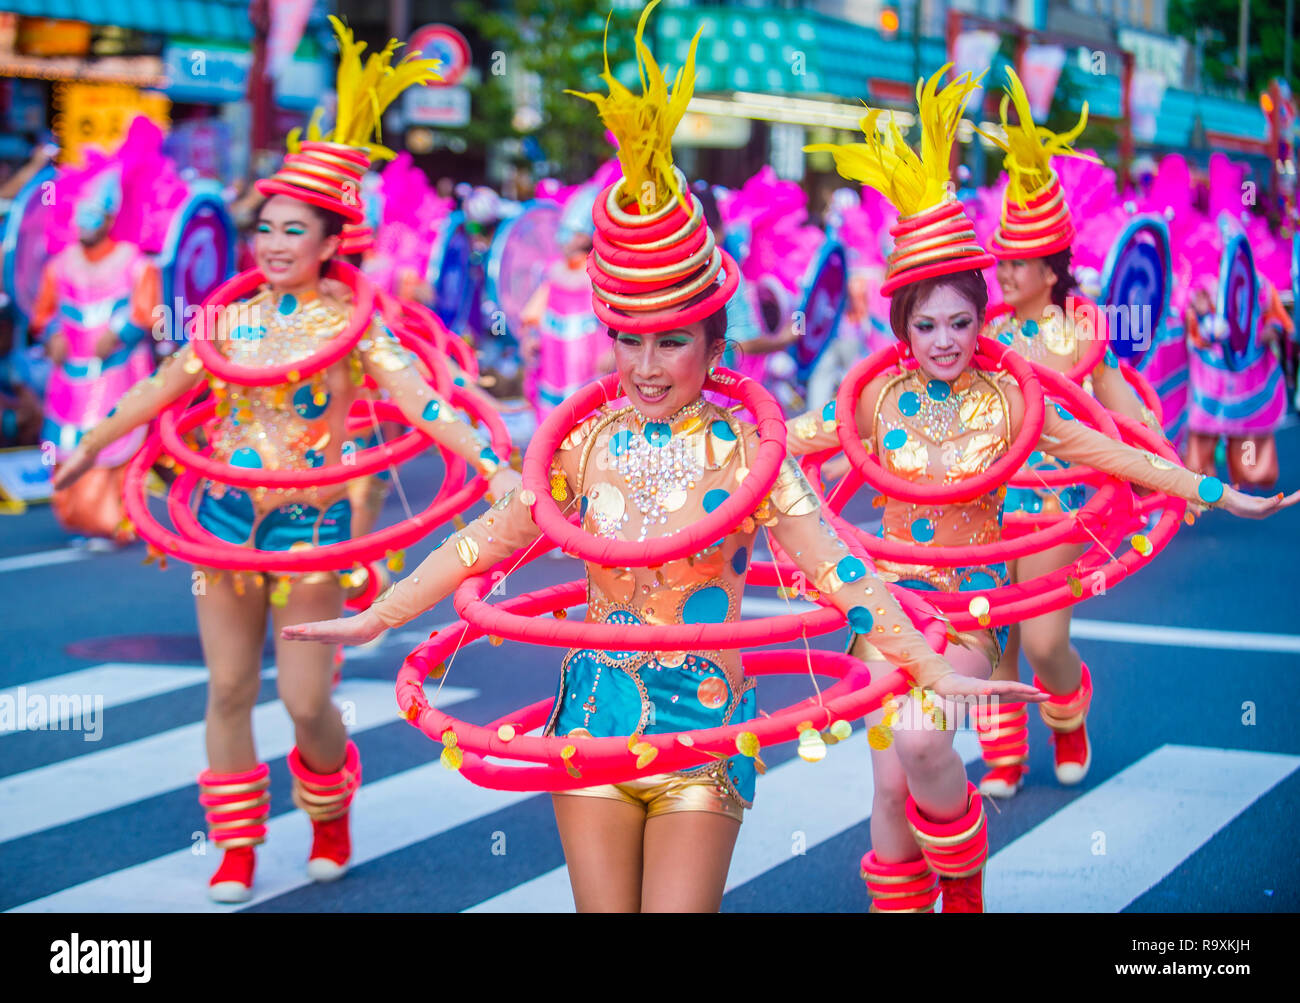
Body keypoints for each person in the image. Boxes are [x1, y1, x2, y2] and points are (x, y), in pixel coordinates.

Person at [283, 1, 1040, 913]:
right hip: (588, 725)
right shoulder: (582, 442)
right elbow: (490, 539)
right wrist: (379, 617)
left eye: (670, 341)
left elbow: (840, 571)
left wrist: (928, 666)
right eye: (628, 339)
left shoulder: (753, 459)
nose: (644, 365)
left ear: (715, 344)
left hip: (704, 733)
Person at [793, 66, 1298, 913]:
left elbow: (1118, 447)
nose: (946, 340)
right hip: (884, 602)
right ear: (900, 327)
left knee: (924, 736)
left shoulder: (1018, 392)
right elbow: (777, 451)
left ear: (982, 317)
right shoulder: (871, 398)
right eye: (927, 324)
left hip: (968, 602)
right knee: (885, 789)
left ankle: (965, 878)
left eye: (962, 320)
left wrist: (1215, 488)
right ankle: (915, 898)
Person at [53, 20, 519, 903]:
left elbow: (424, 402)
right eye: (263, 228)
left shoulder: (357, 327)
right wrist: (81, 449)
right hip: (224, 517)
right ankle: (236, 849)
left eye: (291, 231)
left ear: (328, 242)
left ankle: (330, 810)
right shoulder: (224, 322)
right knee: (227, 686)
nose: (271, 245)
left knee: (307, 700)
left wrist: (491, 462)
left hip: (313, 524)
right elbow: (155, 390)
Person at [974, 67, 1170, 796]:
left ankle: (1068, 711)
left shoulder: (1084, 331)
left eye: (1016, 263)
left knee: (1045, 638)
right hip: (989, 501)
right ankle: (1001, 754)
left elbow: (1120, 407)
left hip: (1056, 502)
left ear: (1051, 272)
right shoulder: (984, 333)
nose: (1004, 271)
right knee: (992, 635)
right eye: (1001, 260)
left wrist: (1164, 462)